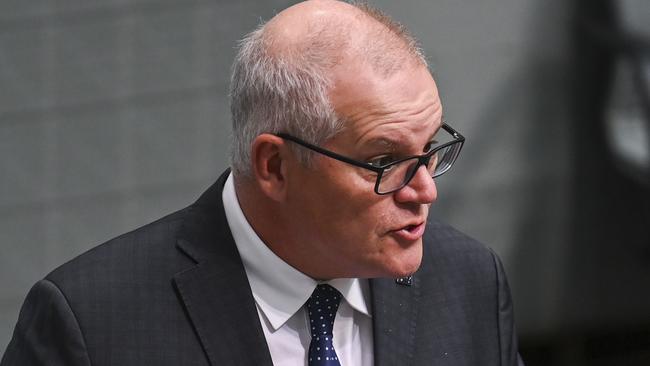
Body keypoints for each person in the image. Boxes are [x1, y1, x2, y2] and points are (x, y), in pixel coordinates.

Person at [1, 1, 523, 365]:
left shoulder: (468, 283)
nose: (424, 190)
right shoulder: (93, 323)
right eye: (384, 161)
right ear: (274, 166)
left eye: (430, 149)